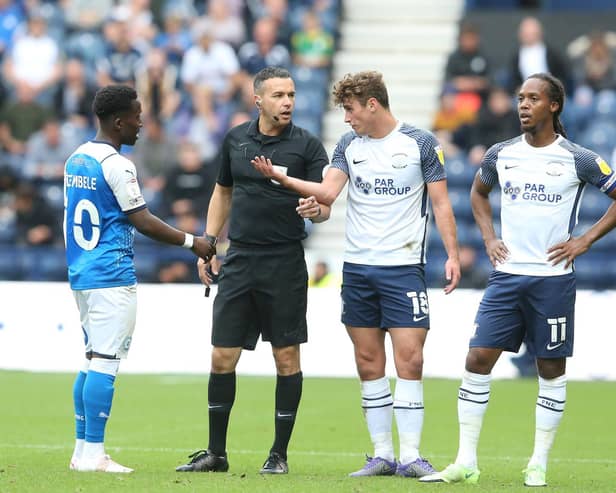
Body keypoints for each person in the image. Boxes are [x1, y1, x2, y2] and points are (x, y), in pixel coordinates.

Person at [252, 70, 461, 478]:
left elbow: (441, 205)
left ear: (372, 103)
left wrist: (452, 254)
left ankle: (412, 455)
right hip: (360, 269)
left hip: (404, 269)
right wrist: (290, 184)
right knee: (368, 361)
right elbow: (327, 194)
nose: (346, 119)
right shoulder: (349, 145)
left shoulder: (420, 143)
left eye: (350, 109)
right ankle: (383, 454)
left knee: (410, 359)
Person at [419, 73, 616, 487]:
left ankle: (538, 462)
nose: (523, 105)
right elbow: (477, 193)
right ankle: (466, 461)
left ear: (554, 105)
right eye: (520, 98)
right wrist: (489, 238)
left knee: (549, 369)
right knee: (476, 360)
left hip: (553, 281)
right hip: (506, 279)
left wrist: (584, 241)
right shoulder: (500, 154)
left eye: (533, 98)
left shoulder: (578, 158)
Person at [174, 66, 330, 475]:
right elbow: (222, 191)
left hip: (284, 260)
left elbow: (325, 204)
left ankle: (278, 455)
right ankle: (216, 454)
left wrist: (317, 209)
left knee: (286, 357)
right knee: (222, 355)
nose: (288, 102)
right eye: (279, 95)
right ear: (257, 99)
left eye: (292, 95)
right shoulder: (236, 140)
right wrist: (208, 243)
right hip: (240, 258)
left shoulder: (308, 146)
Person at [64, 85, 214, 474]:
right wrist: (191, 241)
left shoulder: (76, 159)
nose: (140, 122)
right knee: (106, 362)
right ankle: (94, 454)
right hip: (111, 275)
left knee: (92, 359)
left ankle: (82, 451)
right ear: (118, 121)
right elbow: (142, 219)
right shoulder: (118, 165)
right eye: (135, 115)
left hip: (82, 273)